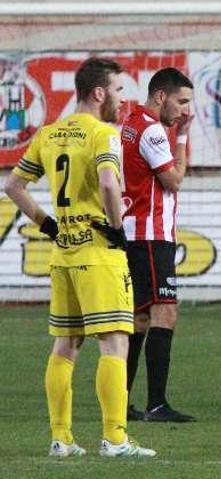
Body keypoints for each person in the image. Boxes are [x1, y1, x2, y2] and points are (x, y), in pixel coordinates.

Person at [4, 57, 156, 457]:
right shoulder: (103, 134)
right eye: (120, 91)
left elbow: (14, 186)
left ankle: (61, 438)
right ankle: (115, 438)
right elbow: (108, 182)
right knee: (114, 342)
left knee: (65, 346)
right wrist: (118, 227)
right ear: (99, 93)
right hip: (98, 250)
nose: (124, 100)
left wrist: (47, 224)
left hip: (63, 251)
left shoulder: (49, 134)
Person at [119, 67, 195, 423]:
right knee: (164, 311)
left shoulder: (133, 121)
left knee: (140, 318)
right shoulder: (152, 130)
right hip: (151, 233)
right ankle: (157, 404)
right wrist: (181, 138)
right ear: (160, 96)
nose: (184, 110)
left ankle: (121, 401)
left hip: (136, 232)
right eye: (181, 102)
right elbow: (174, 180)